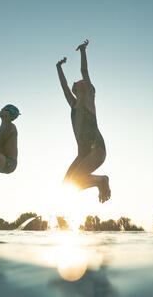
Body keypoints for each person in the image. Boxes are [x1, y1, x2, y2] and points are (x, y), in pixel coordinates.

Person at [56, 39, 111, 203]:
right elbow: (64, 86)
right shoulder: (73, 104)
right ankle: (97, 183)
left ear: (86, 88)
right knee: (67, 184)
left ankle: (102, 181)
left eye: (80, 81)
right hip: (83, 153)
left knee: (76, 180)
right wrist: (58, 67)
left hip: (96, 150)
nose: (77, 81)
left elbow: (84, 70)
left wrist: (83, 51)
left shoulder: (89, 101)